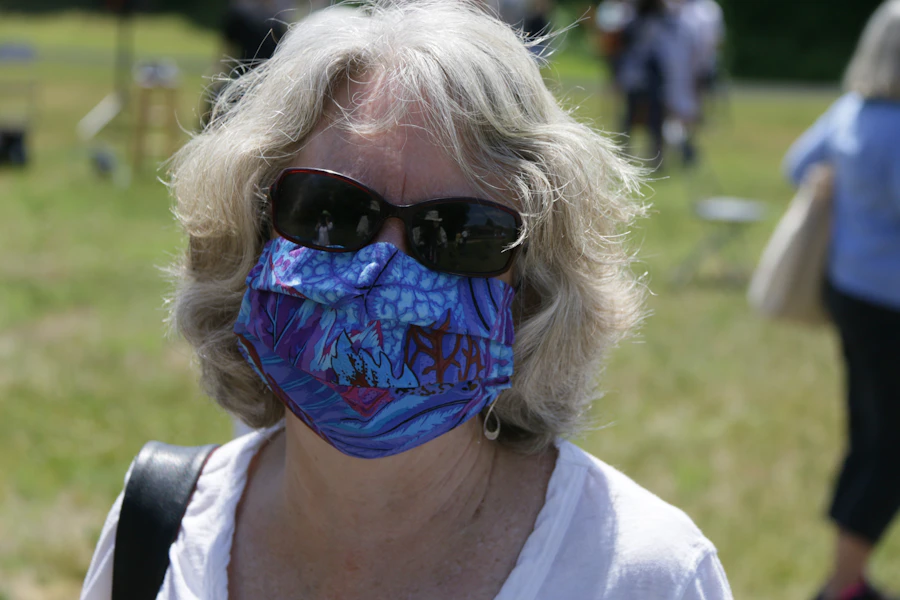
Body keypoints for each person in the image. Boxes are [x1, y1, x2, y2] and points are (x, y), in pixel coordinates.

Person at [80, 2, 733, 599]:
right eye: (331, 211)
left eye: (460, 232)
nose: (380, 275)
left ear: (532, 283)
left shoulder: (646, 576)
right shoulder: (157, 532)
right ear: (249, 235)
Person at [783, 3, 900, 599]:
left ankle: (849, 579)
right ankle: (842, 585)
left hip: (852, 292)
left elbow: (796, 164)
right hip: (891, 302)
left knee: (869, 430)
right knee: (888, 449)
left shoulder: (853, 111)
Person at [615, 0, 697, 169]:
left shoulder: (662, 22)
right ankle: (627, 155)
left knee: (654, 119)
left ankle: (655, 158)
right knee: (633, 118)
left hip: (652, 77)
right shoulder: (636, 23)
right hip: (639, 76)